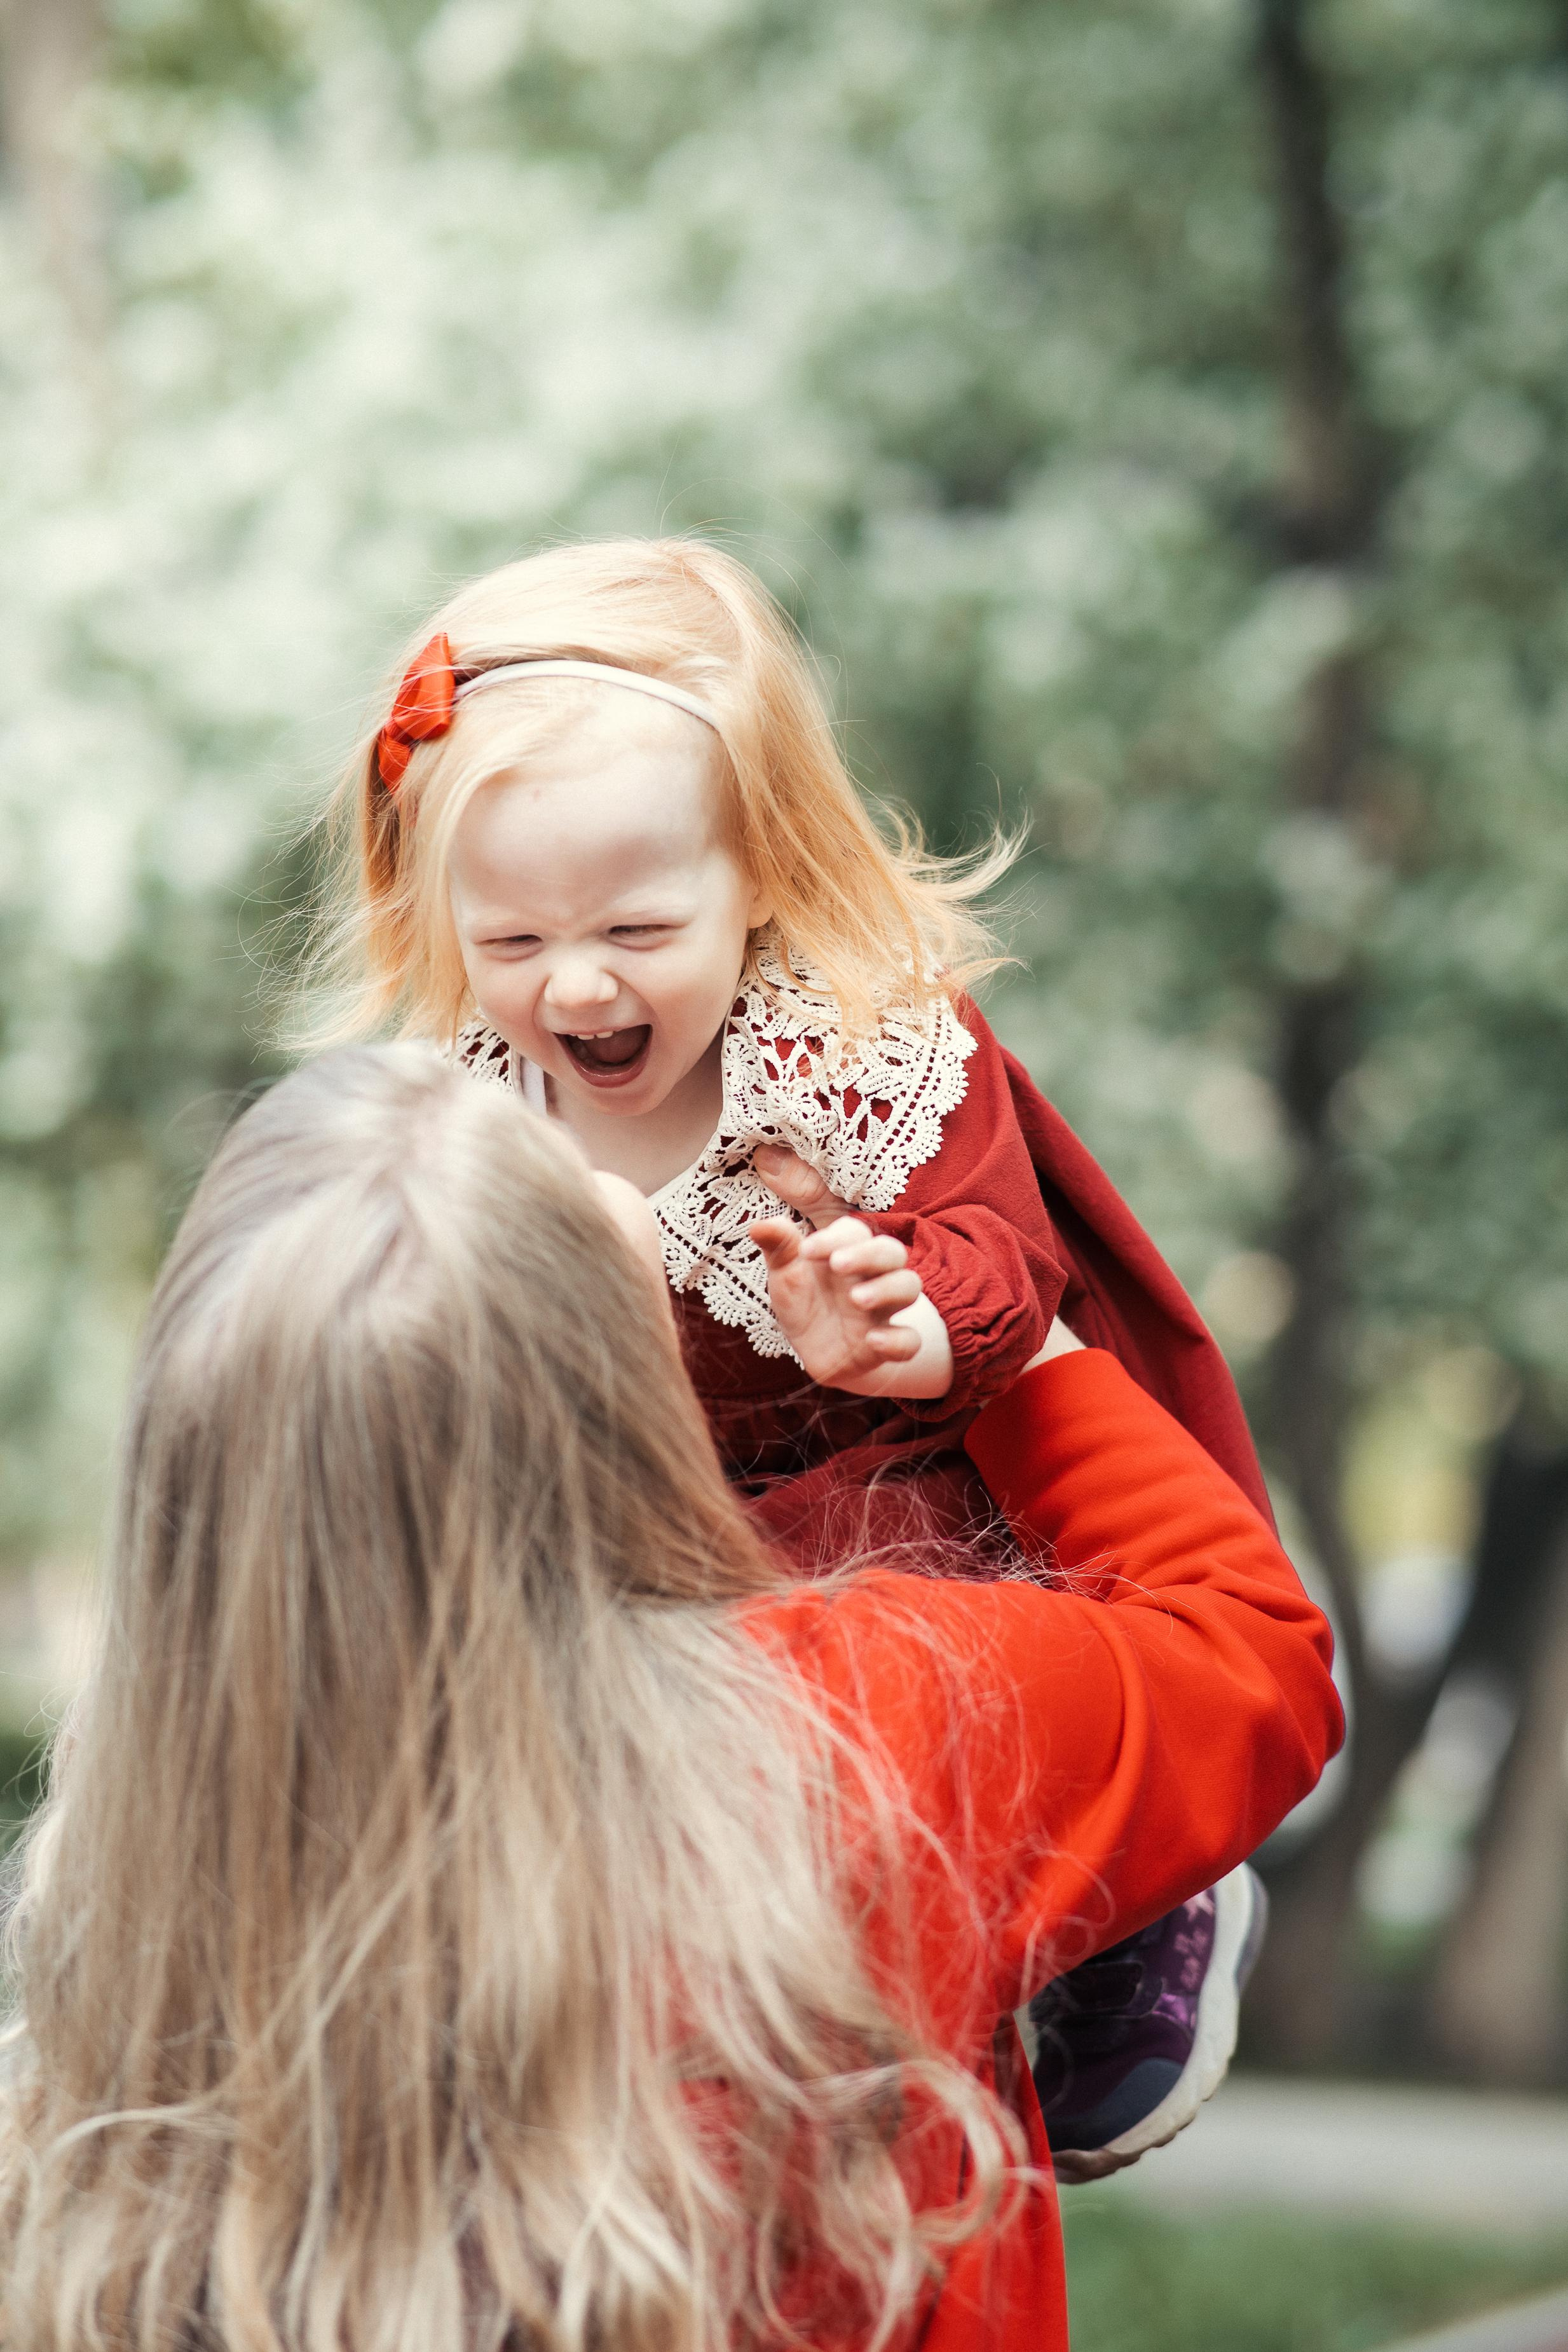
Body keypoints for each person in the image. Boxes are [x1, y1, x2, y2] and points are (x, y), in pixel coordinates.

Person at [0, 1049, 1340, 2351]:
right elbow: (1249, 1647)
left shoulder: (107, 1968)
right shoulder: (866, 1725)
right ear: (619, 1392)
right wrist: (990, 1336)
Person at [311, 537, 1279, 2160]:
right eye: (512, 941)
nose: (578, 980)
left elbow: (1007, 1257)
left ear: (755, 870)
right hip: (663, 1536)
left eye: (634, 922)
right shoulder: (476, 1107)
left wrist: (902, 1319)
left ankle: (1135, 1904)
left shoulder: (858, 1048)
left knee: (926, 1715)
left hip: (908, 1486)